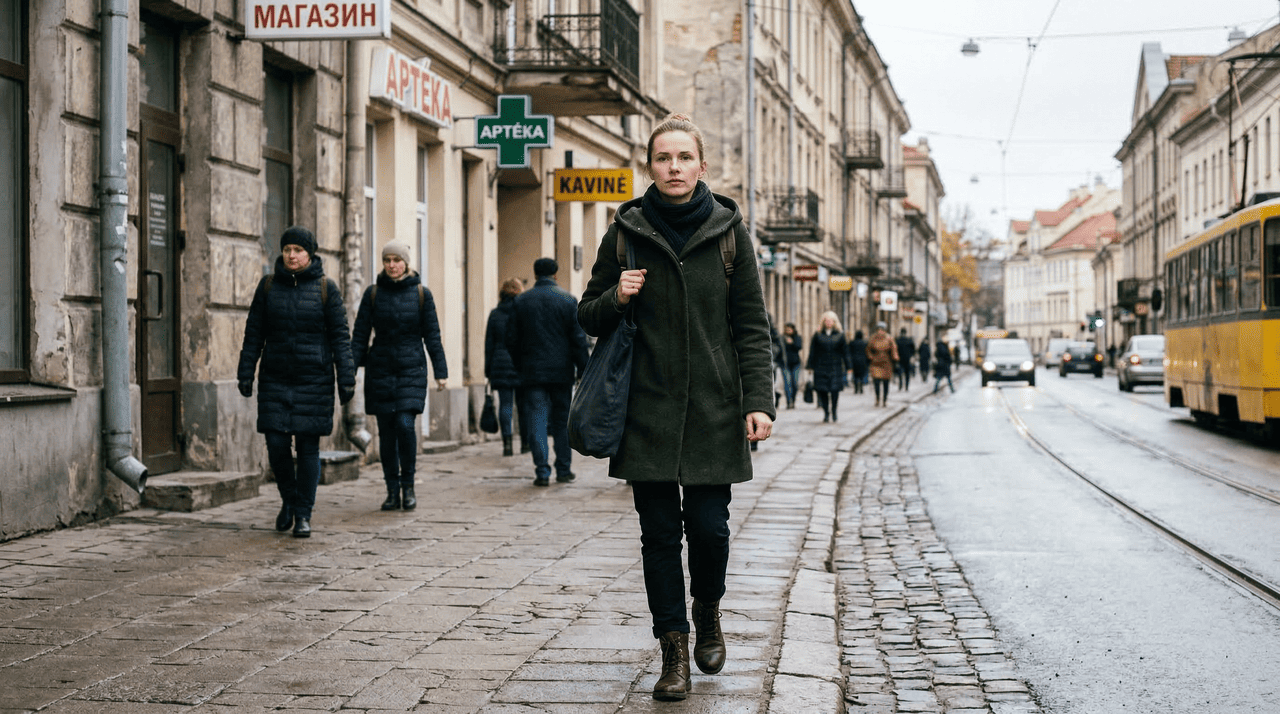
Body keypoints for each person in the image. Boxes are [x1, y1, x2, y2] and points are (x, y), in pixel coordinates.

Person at [577, 113, 775, 702]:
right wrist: (617, 295)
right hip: (648, 411)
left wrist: (758, 401)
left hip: (716, 410)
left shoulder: (731, 234)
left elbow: (751, 328)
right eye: (663, 158)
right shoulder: (626, 233)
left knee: (711, 531)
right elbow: (587, 312)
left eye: (684, 158)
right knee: (659, 537)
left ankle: (708, 610)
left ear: (701, 165)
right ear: (650, 165)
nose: (674, 168)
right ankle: (674, 651)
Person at [238, 226, 356, 538]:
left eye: (298, 250)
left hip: (313, 381)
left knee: (307, 448)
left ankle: (303, 513)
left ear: (310, 254)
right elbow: (254, 335)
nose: (292, 255)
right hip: (275, 379)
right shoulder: (267, 287)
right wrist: (245, 372)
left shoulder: (326, 289)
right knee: (276, 444)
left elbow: (341, 339)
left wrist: (346, 378)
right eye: (287, 249)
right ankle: (288, 501)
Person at [351, 242, 448, 512]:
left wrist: (441, 371)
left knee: (405, 425)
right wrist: (350, 370)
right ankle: (391, 490)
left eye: (397, 260)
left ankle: (409, 486)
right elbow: (360, 335)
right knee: (386, 433)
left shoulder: (421, 294)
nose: (392, 265)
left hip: (411, 368)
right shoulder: (372, 294)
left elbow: (432, 336)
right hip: (380, 369)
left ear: (406, 263)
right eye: (387, 260)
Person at [505, 258, 589, 487]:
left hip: (532, 373)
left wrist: (519, 364)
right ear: (555, 274)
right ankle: (564, 469)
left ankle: (542, 471)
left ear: (535, 274)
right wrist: (584, 368)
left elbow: (510, 339)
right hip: (561, 373)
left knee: (537, 421)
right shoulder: (568, 300)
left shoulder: (521, 301)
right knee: (562, 422)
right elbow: (577, 340)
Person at [485, 278, 526, 456]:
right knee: (523, 405)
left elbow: (489, 345)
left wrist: (488, 370)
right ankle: (526, 443)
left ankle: (507, 444)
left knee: (505, 405)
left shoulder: (495, 314)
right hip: (521, 363)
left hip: (499, 363)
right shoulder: (524, 312)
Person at [806, 311, 848, 422]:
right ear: (823, 322)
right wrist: (810, 366)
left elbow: (845, 352)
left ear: (834, 322)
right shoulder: (818, 335)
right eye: (826, 320)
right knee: (822, 391)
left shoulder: (840, 335)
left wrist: (849, 366)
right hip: (821, 366)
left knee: (835, 391)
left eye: (830, 320)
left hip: (835, 367)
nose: (828, 322)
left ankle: (834, 411)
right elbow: (812, 351)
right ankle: (826, 412)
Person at [866, 322, 898, 407]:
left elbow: (894, 348)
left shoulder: (889, 338)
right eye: (878, 330)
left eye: (882, 330)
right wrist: (871, 357)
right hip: (876, 363)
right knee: (876, 382)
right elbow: (868, 349)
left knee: (885, 383)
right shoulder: (873, 338)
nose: (880, 332)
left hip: (886, 363)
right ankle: (877, 398)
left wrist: (895, 357)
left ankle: (884, 399)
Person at [781, 323, 804, 408]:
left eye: (790, 329)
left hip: (796, 363)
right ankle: (788, 402)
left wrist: (792, 343)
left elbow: (799, 347)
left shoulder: (797, 337)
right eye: (786, 329)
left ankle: (793, 400)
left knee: (795, 383)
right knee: (787, 383)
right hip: (785, 364)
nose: (788, 331)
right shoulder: (782, 338)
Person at [847, 329, 869, 394]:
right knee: (862, 375)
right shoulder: (865, 343)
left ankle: (856, 389)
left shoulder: (852, 343)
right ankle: (861, 388)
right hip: (863, 361)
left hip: (854, 360)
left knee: (856, 375)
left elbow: (849, 352)